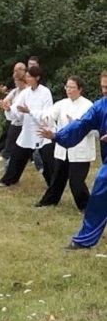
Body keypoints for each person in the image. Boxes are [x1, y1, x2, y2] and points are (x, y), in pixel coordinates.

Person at [38, 71, 107, 250]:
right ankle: (84, 240)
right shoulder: (100, 106)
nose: (105, 91)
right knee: (99, 193)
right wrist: (56, 135)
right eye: (103, 87)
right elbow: (81, 124)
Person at [35, 76, 95, 210]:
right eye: (67, 87)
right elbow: (50, 114)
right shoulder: (62, 103)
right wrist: (46, 119)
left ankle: (87, 207)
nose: (69, 90)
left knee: (76, 182)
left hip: (80, 150)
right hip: (63, 148)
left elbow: (93, 128)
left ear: (80, 89)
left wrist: (76, 123)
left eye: (72, 87)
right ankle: (49, 201)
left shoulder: (88, 105)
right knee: (57, 179)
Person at [0, 66, 53, 187]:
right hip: (27, 131)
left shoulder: (45, 92)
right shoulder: (25, 93)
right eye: (26, 76)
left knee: (47, 159)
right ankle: (9, 179)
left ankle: (52, 183)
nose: (27, 79)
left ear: (37, 77)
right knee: (17, 155)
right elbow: (17, 110)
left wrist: (30, 111)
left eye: (29, 77)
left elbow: (47, 115)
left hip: (42, 131)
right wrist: (9, 109)